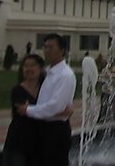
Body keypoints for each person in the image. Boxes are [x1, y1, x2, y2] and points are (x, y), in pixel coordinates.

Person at [16, 34, 76, 166]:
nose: (46, 50)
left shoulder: (65, 75)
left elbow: (55, 106)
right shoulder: (48, 73)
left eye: (51, 47)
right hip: (42, 129)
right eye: (45, 47)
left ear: (62, 51)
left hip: (55, 132)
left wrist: (29, 110)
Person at [3, 54, 45, 165]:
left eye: (32, 65)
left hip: (38, 141)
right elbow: (22, 111)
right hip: (18, 140)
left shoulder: (46, 89)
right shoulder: (17, 90)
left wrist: (30, 109)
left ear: (40, 69)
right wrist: (39, 109)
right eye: (26, 66)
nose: (29, 69)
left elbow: (32, 110)